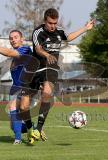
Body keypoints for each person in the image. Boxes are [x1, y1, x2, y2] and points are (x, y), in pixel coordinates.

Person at [30, 8, 95, 141]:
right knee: (24, 104)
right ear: (45, 21)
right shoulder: (38, 32)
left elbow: (69, 37)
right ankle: (31, 127)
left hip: (52, 67)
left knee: (47, 93)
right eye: (50, 23)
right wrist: (47, 54)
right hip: (37, 68)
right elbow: (38, 49)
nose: (53, 26)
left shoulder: (59, 31)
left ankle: (38, 129)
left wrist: (85, 28)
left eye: (55, 23)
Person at [0, 30, 40, 144]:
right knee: (13, 126)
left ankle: (17, 140)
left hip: (27, 89)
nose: (13, 40)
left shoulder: (25, 50)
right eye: (11, 38)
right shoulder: (14, 58)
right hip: (17, 89)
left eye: (16, 37)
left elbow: (8, 52)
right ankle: (34, 128)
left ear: (22, 39)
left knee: (13, 107)